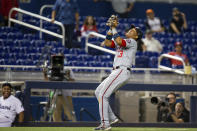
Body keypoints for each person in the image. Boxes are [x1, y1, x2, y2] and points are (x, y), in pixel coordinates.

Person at [95, 15, 142, 130]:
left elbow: (119, 41)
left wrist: (114, 28)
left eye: (132, 30)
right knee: (98, 92)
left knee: (103, 95)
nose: (129, 30)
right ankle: (112, 117)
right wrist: (110, 30)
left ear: (136, 36)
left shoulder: (132, 42)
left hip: (122, 70)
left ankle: (105, 124)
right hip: (117, 71)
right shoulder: (125, 41)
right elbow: (107, 43)